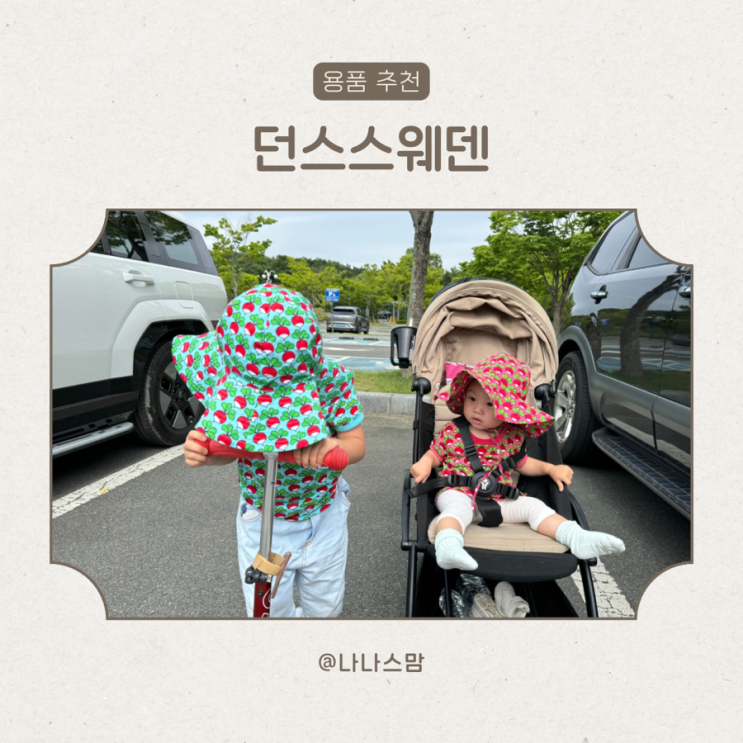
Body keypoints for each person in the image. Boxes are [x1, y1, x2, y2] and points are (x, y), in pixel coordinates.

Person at [173, 283, 366, 617]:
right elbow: (231, 448)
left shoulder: (329, 383)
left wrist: (332, 447)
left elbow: (356, 444)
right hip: (261, 515)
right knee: (266, 611)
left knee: (326, 608)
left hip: (323, 514)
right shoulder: (232, 378)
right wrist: (207, 455)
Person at [410, 353, 624, 571]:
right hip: (459, 492)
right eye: (471, 399)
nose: (477, 409)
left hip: (501, 499)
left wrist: (550, 468)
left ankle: (576, 537)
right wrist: (425, 463)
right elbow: (435, 454)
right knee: (454, 511)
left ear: (507, 411)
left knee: (533, 506)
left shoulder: (511, 436)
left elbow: (522, 463)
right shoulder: (453, 431)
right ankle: (449, 548)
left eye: (490, 403)